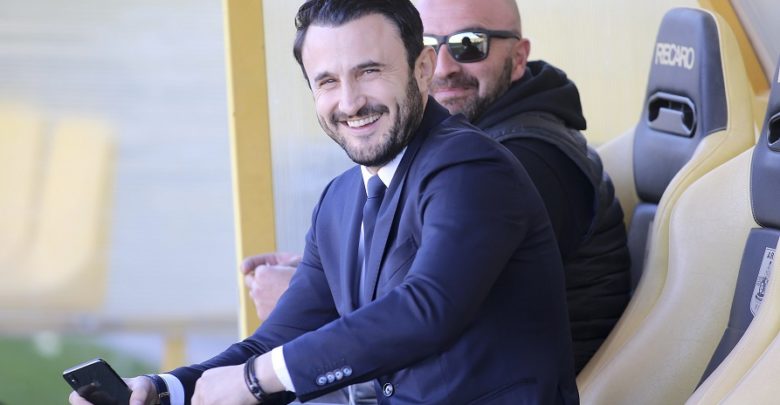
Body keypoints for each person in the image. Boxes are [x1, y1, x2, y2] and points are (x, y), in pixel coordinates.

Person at [70, 0, 578, 404]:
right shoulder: (339, 200)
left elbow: (425, 308)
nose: (350, 101)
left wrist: (254, 380)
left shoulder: (471, 165)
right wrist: (165, 389)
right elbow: (276, 340)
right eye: (328, 81)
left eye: (370, 71)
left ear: (422, 70)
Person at [244, 0, 631, 373]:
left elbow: (418, 312)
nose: (443, 68)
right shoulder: (435, 154)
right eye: (427, 43)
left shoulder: (521, 162)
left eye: (470, 44)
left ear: (517, 59)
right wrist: (322, 271)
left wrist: (303, 297)